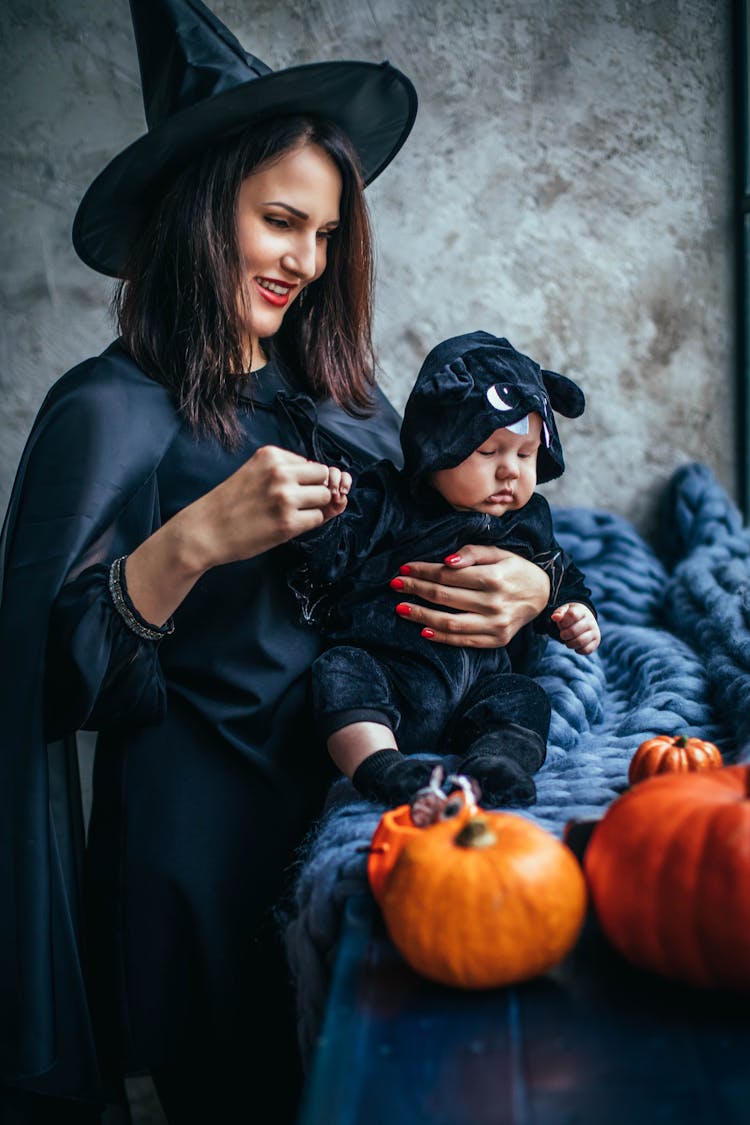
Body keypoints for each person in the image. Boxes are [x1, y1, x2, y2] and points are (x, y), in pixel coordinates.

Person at [0, 2, 555, 1122]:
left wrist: (529, 587)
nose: (306, 261)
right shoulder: (105, 413)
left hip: (356, 817)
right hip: (202, 859)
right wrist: (193, 541)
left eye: (328, 233)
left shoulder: (342, 401)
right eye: (279, 222)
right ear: (201, 213)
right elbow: (43, 692)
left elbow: (439, 532)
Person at [288, 331, 601, 810]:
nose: (510, 472)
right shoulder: (388, 499)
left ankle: (495, 763)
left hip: (479, 686)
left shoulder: (527, 519)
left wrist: (572, 608)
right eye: (488, 452)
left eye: (524, 454)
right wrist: (326, 522)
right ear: (436, 448)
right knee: (339, 673)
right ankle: (382, 767)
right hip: (390, 675)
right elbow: (336, 558)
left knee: (525, 697)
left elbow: (558, 571)